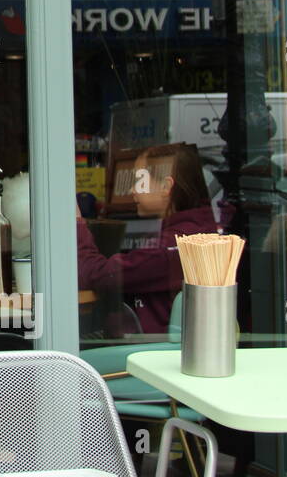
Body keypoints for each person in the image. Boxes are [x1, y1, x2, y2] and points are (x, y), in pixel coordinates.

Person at [77, 142, 221, 334]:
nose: (132, 190)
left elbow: (99, 275)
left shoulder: (173, 245)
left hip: (145, 353)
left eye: (140, 181)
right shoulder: (194, 232)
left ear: (165, 186)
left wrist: (76, 223)